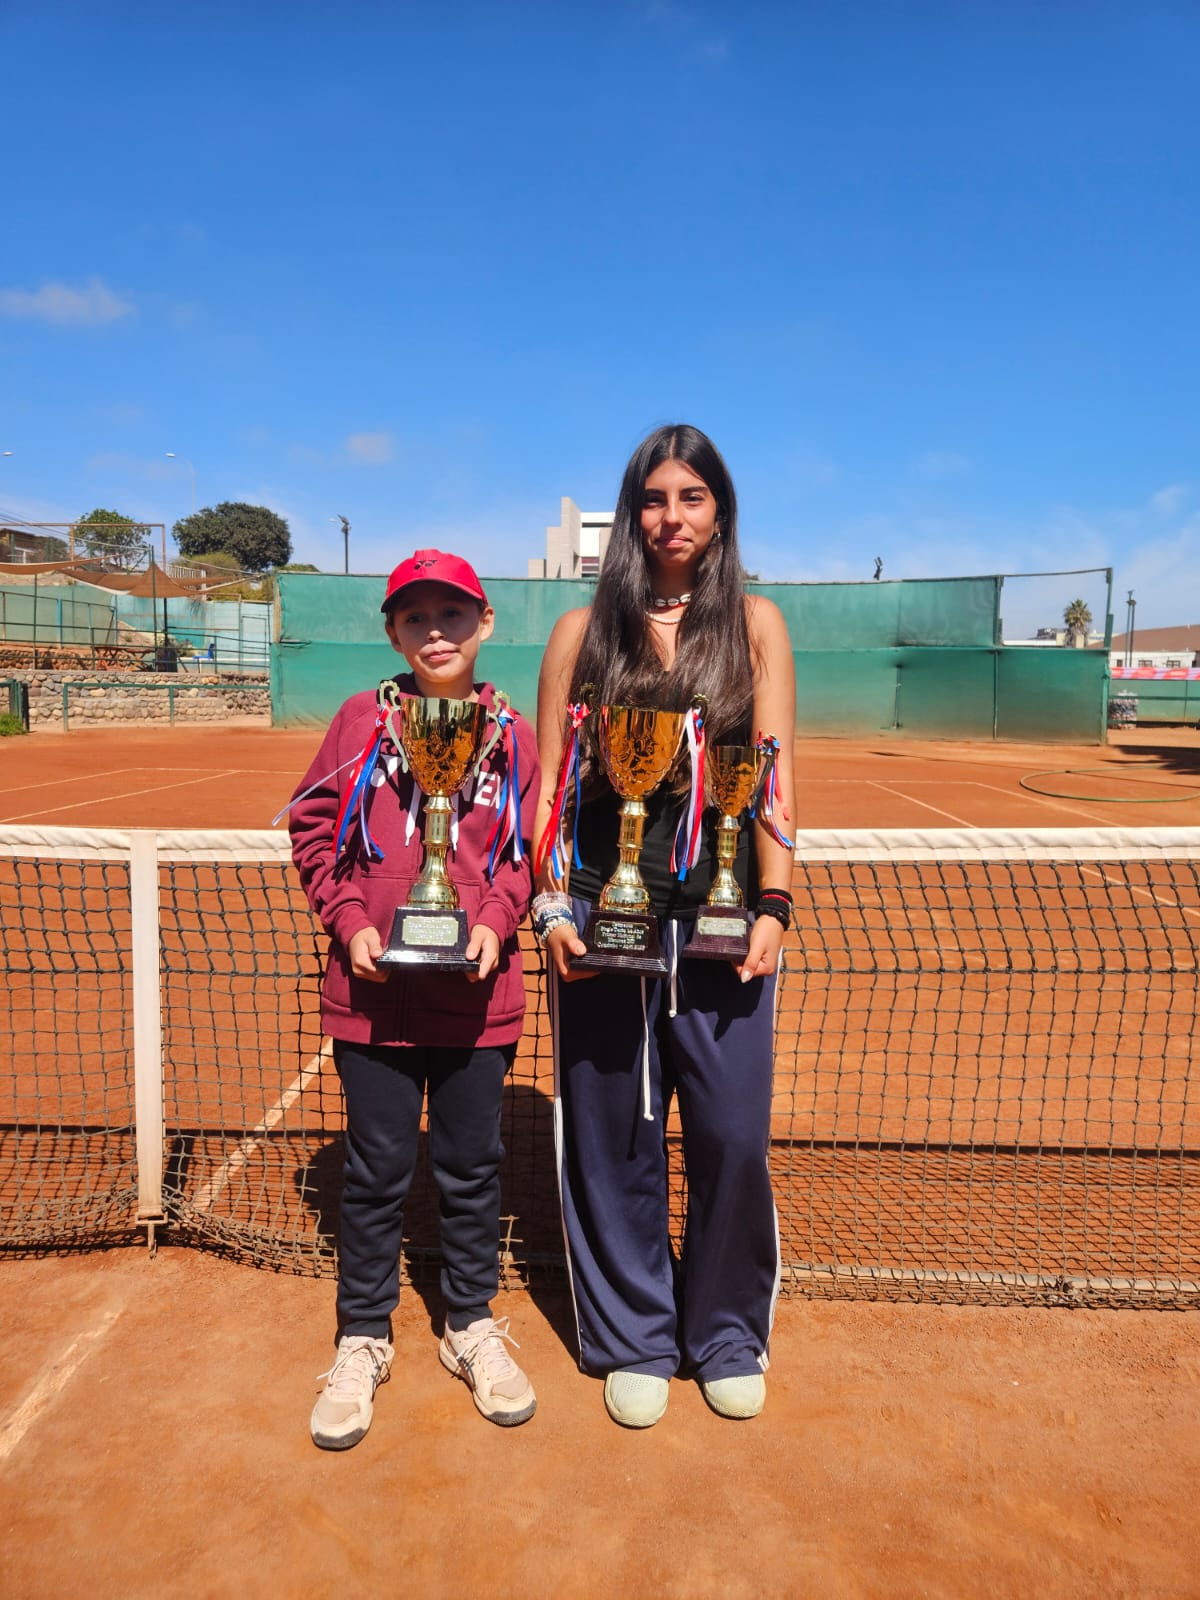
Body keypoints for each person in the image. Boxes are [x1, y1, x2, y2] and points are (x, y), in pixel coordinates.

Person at [533, 424, 796, 1428]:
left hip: (724, 921)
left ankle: (723, 1330)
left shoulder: (757, 625)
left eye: (691, 495)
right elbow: (549, 792)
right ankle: (636, 1332)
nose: (671, 514)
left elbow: (774, 775)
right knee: (613, 1135)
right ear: (630, 511)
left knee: (729, 1132)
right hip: (605, 916)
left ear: (718, 509)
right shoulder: (579, 632)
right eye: (653, 496)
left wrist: (772, 900)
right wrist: (554, 904)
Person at [289, 549, 540, 1449]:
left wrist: (496, 920)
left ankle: (467, 1323)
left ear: (485, 625)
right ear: (392, 629)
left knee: (473, 1172)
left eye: (454, 615)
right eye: (415, 617)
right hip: (374, 998)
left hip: (478, 998)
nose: (436, 631)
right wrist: (351, 918)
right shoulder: (363, 718)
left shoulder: (511, 731)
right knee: (376, 1173)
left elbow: (522, 854)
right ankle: (363, 1335)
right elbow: (314, 827)